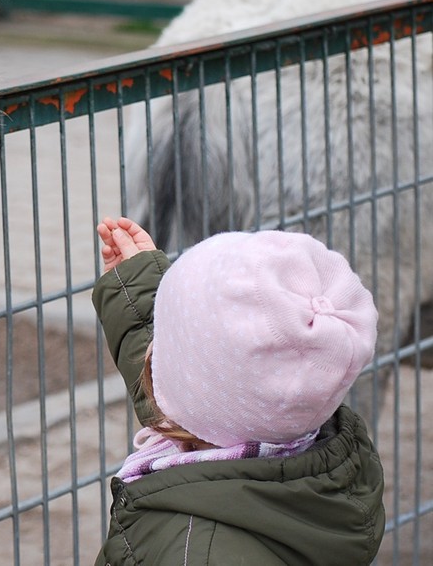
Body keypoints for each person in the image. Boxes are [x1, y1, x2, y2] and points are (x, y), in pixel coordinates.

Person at [92, 216, 385, 565]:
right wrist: (140, 287)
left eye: (166, 344)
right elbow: (217, 384)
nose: (154, 352)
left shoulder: (194, 551)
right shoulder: (323, 452)